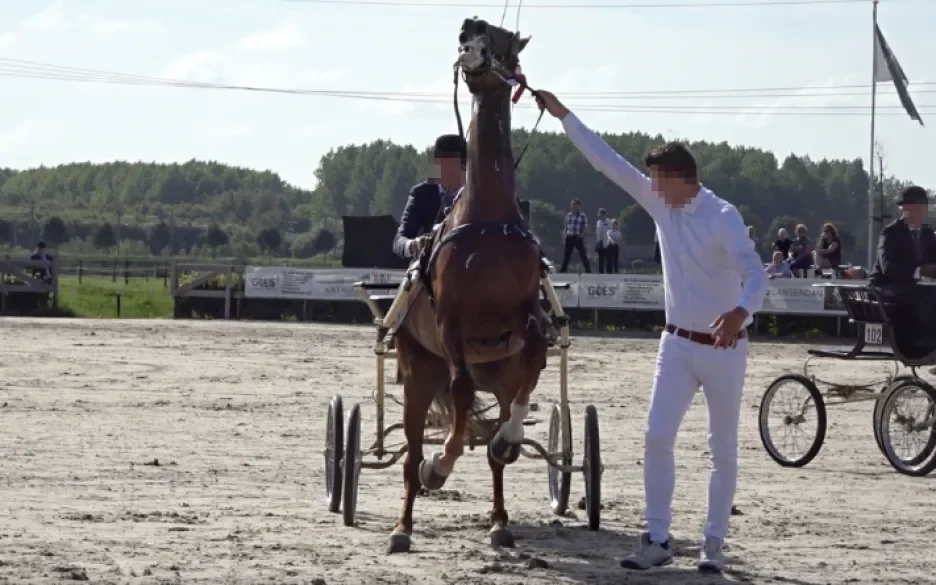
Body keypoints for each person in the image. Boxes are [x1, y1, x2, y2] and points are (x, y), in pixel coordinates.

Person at [535, 89, 768, 574]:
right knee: (657, 436)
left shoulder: (723, 217)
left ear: (682, 179)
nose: (652, 188)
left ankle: (713, 543)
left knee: (722, 449)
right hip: (676, 344)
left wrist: (741, 312)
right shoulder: (663, 204)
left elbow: (756, 273)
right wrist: (563, 116)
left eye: (659, 180)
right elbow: (609, 163)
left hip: (725, 349)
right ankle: (657, 538)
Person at [869, 186, 936, 350]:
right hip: (885, 288)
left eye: (923, 208)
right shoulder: (890, 233)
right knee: (925, 295)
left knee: (926, 294)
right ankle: (921, 346)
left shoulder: (928, 234)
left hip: (913, 290)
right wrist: (920, 271)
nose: (921, 213)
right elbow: (888, 268)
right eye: (917, 208)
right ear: (905, 209)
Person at [392, 134, 467, 260]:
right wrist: (414, 245)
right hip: (428, 273)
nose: (440, 168)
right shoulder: (421, 194)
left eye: (448, 163)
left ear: (464, 165)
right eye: (438, 162)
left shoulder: (479, 197)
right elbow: (399, 241)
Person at [560, 198, 591, 273]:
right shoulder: (569, 215)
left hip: (577, 237)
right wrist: (564, 236)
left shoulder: (582, 215)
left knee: (582, 254)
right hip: (569, 237)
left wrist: (582, 235)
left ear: (579, 206)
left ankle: (588, 270)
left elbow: (585, 227)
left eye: (575, 204)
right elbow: (566, 227)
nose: (573, 206)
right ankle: (563, 270)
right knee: (567, 255)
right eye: (572, 204)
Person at [595, 208, 612, 273]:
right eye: (600, 215)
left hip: (608, 243)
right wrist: (598, 243)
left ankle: (609, 274)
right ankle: (601, 274)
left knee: (608, 261)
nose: (601, 217)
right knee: (600, 261)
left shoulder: (609, 222)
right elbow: (598, 233)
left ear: (605, 215)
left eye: (602, 215)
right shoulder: (598, 222)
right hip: (600, 243)